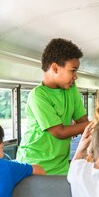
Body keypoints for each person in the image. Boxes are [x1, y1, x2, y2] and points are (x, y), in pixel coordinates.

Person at [17, 38, 90, 175]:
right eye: (73, 71)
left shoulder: (71, 89)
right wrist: (97, 123)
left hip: (60, 165)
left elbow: (83, 122)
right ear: (55, 68)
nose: (76, 76)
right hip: (34, 163)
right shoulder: (38, 95)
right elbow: (59, 132)